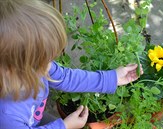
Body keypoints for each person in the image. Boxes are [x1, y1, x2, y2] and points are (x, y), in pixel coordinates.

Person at [0, 0, 143, 129]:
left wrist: (112, 78)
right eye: (42, 61)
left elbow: (66, 77)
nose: (50, 65)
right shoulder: (7, 116)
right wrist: (64, 125)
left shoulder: (35, 67)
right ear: (9, 70)